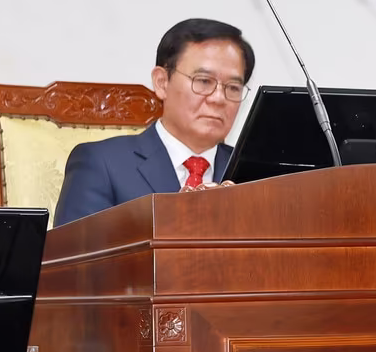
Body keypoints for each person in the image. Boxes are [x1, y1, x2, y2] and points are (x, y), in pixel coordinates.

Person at [54, 18, 256, 226]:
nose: (218, 98)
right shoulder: (102, 164)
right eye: (203, 81)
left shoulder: (257, 177)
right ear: (162, 82)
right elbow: (76, 256)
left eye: (233, 87)